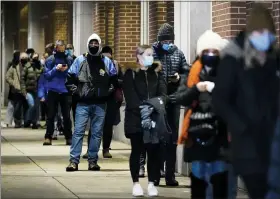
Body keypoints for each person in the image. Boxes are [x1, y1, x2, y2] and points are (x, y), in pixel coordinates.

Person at [212, 4, 279, 199]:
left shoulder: (274, 58)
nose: (264, 36)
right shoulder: (234, 58)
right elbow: (220, 99)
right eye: (260, 31)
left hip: (273, 142)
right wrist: (241, 125)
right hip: (248, 145)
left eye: (268, 32)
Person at [169, 30, 228, 198]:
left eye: (214, 51)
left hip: (219, 133)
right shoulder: (190, 72)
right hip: (196, 132)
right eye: (206, 51)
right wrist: (196, 88)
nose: (210, 54)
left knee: (219, 179)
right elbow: (181, 98)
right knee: (199, 179)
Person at [122, 44, 171, 197]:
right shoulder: (130, 74)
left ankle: (151, 183)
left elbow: (163, 95)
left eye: (152, 55)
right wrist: (144, 108)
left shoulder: (157, 74)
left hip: (154, 117)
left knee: (154, 152)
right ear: (139, 56)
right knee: (137, 151)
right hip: (136, 118)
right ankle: (136, 182)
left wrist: (152, 107)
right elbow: (130, 97)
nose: (151, 57)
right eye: (148, 54)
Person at [65, 33, 117, 172]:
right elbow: (69, 79)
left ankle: (92, 161)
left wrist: (107, 93)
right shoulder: (80, 60)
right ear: (88, 44)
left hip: (100, 104)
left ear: (99, 44)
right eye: (91, 43)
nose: (93, 45)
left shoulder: (106, 61)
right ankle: (73, 161)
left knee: (96, 133)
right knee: (78, 132)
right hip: (83, 103)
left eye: (96, 43)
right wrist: (78, 92)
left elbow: (114, 79)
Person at [152, 23, 190, 186]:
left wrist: (179, 77)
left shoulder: (178, 53)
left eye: (169, 40)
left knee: (172, 137)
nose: (167, 43)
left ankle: (170, 174)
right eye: (164, 40)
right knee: (158, 137)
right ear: (159, 41)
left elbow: (187, 71)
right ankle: (156, 172)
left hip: (173, 99)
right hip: (158, 100)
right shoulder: (153, 53)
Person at [82, 45, 123, 159]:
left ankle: (105, 149)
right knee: (96, 124)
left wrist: (112, 82)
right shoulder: (95, 64)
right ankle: (92, 150)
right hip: (98, 97)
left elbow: (121, 81)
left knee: (107, 125)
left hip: (110, 99)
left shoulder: (115, 65)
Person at [43, 40, 74, 145]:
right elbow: (46, 75)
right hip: (53, 90)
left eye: (63, 48)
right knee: (51, 115)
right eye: (59, 48)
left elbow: (73, 74)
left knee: (66, 116)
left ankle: (68, 137)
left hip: (65, 90)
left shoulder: (69, 59)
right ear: (56, 48)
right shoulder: (50, 60)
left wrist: (66, 70)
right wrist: (56, 69)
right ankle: (48, 136)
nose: (61, 50)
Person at [6, 52, 29, 128]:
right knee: (17, 107)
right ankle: (17, 122)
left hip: (27, 90)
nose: (24, 60)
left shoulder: (29, 66)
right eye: (22, 58)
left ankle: (26, 122)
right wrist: (14, 83)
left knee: (26, 107)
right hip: (17, 90)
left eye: (25, 59)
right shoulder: (14, 67)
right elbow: (7, 77)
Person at [20, 53, 43, 129]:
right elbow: (22, 80)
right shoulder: (26, 67)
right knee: (31, 105)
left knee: (36, 107)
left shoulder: (38, 66)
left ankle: (34, 122)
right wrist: (24, 91)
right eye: (34, 57)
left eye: (36, 57)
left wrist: (40, 66)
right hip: (28, 90)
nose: (35, 59)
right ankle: (27, 120)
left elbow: (42, 75)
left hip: (37, 90)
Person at [5, 50, 20, 127]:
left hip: (17, 88)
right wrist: (14, 83)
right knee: (11, 104)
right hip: (13, 88)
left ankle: (14, 121)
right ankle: (8, 121)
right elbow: (8, 76)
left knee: (15, 105)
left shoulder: (20, 64)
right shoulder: (11, 64)